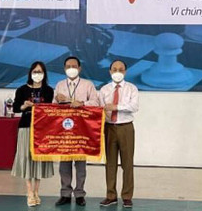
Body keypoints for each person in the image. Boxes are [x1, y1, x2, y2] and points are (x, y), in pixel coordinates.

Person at [53, 56, 99, 207]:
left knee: (80, 164)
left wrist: (82, 103)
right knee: (64, 164)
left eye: (74, 66)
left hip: (82, 130)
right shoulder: (60, 85)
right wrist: (57, 99)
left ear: (79, 68)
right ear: (64, 69)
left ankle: (80, 194)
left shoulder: (87, 84)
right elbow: (52, 107)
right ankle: (65, 193)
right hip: (65, 129)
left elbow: (96, 103)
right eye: (68, 66)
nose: (71, 69)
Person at [11, 61, 55, 207]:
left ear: (44, 74)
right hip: (25, 127)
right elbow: (16, 108)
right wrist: (24, 105)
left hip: (41, 129)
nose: (37, 74)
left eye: (40, 72)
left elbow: (49, 109)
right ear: (30, 73)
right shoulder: (22, 89)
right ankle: (29, 192)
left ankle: (36, 191)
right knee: (26, 158)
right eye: (35, 71)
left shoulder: (48, 90)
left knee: (38, 159)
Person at [98, 60, 139, 208]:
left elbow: (134, 107)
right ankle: (111, 196)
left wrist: (116, 107)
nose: (117, 72)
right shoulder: (104, 90)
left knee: (127, 163)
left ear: (125, 72)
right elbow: (99, 108)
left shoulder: (131, 88)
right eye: (114, 69)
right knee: (110, 163)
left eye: (121, 69)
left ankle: (127, 196)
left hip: (126, 127)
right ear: (110, 72)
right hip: (109, 128)